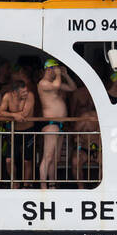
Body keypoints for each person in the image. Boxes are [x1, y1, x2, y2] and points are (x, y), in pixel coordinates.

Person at [37, 60, 77, 188]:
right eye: (55, 69)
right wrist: (59, 75)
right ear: (49, 70)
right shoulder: (43, 83)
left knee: (55, 158)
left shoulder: (56, 83)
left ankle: (52, 185)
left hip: (59, 124)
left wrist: (65, 75)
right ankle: (43, 186)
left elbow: (72, 88)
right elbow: (55, 86)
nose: (56, 72)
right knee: (48, 156)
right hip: (51, 123)